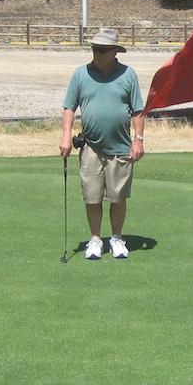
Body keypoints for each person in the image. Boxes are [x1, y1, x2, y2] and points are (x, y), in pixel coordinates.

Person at [60, 27, 145, 260]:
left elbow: (138, 110)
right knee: (92, 195)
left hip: (120, 145)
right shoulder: (81, 74)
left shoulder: (128, 75)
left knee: (118, 196)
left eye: (103, 50)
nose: (97, 53)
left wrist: (138, 140)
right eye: (95, 49)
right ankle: (96, 239)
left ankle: (116, 238)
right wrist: (66, 135)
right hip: (90, 146)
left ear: (115, 51)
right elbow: (69, 107)